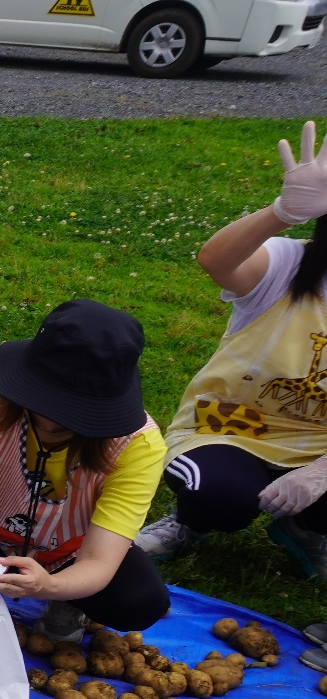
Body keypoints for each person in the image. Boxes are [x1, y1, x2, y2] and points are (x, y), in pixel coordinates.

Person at [0, 299, 170, 639]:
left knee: (140, 601)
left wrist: (51, 585)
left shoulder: (137, 447)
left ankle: (71, 600)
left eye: (74, 423)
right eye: (40, 409)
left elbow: (100, 561)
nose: (53, 425)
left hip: (67, 551)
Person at [138, 121, 327, 579]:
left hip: (320, 445)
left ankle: (307, 526)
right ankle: (191, 523)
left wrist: (323, 472)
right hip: (234, 425)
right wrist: (281, 212)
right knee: (218, 495)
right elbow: (217, 260)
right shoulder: (292, 265)